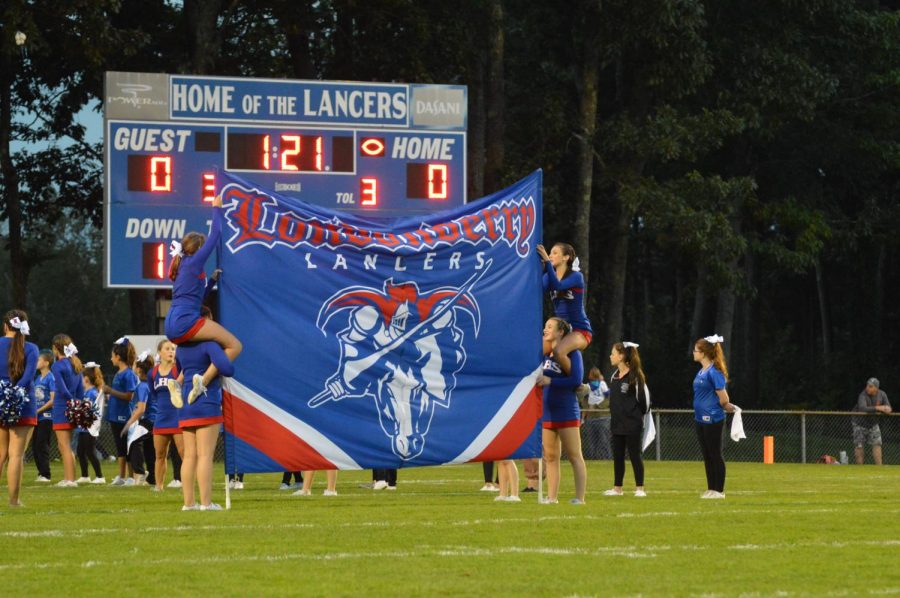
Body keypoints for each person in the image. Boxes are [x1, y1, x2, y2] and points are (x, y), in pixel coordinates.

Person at [165, 194, 241, 405]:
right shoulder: (193, 261)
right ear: (197, 249)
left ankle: (177, 383)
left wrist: (210, 282)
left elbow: (194, 299)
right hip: (185, 321)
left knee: (201, 349)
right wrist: (216, 208)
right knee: (235, 345)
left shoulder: (181, 267)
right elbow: (215, 233)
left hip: (172, 322)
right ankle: (203, 381)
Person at [176, 337, 235, 511]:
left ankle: (188, 504)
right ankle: (206, 503)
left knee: (189, 456)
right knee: (205, 455)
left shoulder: (181, 348)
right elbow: (227, 368)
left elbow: (180, 371)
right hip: (206, 402)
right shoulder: (210, 345)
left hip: (185, 403)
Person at [537, 317, 587, 505]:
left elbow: (576, 380)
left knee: (574, 455)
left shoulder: (572, 354)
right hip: (547, 411)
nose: (545, 329)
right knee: (550, 457)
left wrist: (551, 381)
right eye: (545, 326)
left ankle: (580, 498)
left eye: (550, 327)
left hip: (566, 410)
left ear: (561, 332)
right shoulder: (545, 354)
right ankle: (552, 497)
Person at [0, 310, 38, 506]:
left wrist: (4, 395)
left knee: (0, 453)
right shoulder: (31, 347)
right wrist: (15, 393)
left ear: (6, 326)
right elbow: (29, 376)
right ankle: (13, 501)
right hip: (23, 405)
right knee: (15, 455)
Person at [536, 243, 592, 376]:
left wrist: (548, 263)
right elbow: (536, 291)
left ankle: (579, 386)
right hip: (560, 331)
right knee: (535, 353)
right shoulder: (548, 277)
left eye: (555, 253)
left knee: (559, 352)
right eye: (549, 253)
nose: (550, 255)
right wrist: (540, 268)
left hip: (580, 330)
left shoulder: (576, 276)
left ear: (565, 257)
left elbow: (558, 285)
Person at [603, 343, 649, 497]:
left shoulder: (635, 376)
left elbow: (645, 402)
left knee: (635, 455)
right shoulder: (614, 376)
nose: (611, 356)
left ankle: (640, 488)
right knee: (618, 457)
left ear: (622, 356)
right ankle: (617, 488)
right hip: (616, 424)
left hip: (633, 424)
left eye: (613, 353)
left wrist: (635, 416)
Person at [692, 335, 735, 499]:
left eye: (696, 350)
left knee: (715, 454)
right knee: (706, 454)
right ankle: (711, 489)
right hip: (699, 418)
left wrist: (726, 407)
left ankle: (719, 490)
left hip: (713, 418)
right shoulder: (701, 371)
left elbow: (724, 398)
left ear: (703, 353)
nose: (693, 352)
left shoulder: (714, 372)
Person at [102, 337, 139, 486]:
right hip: (115, 415)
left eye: (112, 356)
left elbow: (129, 396)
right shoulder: (118, 373)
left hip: (124, 416)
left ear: (118, 357)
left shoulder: (128, 374)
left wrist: (111, 391)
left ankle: (130, 477)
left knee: (126, 447)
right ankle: (121, 476)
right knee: (120, 448)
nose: (111, 359)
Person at [150, 339, 184, 491]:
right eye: (167, 348)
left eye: (173, 349)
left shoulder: (179, 369)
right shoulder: (153, 372)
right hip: (161, 418)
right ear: (159, 352)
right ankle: (159, 486)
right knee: (159, 454)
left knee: (185, 454)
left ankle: (189, 485)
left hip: (177, 417)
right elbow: (153, 393)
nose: (171, 351)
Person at [50, 333, 83, 488]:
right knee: (66, 445)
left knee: (64, 445)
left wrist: (70, 402)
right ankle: (69, 478)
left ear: (56, 348)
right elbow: (81, 390)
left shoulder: (57, 365)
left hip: (62, 406)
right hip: (74, 406)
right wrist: (78, 405)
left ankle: (70, 480)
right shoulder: (76, 364)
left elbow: (62, 389)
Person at [122, 352, 155, 486]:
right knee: (149, 449)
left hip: (149, 420)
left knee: (133, 442)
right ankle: (152, 478)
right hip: (157, 419)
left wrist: (128, 424)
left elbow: (141, 409)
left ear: (139, 369)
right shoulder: (151, 383)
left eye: (135, 365)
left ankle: (140, 473)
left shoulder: (142, 385)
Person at [852, 378, 892, 465]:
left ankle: (879, 468)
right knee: (859, 446)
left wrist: (887, 409)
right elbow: (863, 408)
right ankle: (859, 469)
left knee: (877, 444)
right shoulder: (862, 395)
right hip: (859, 423)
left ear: (876, 388)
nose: (867, 388)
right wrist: (878, 408)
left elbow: (888, 407)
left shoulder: (882, 394)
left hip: (873, 424)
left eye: (870, 386)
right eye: (867, 385)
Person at [76, 364, 105, 484]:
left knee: (90, 452)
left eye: (82, 378)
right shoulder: (85, 392)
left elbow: (93, 411)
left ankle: (100, 477)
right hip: (82, 428)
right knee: (80, 451)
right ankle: (85, 475)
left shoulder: (92, 393)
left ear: (86, 379)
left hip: (90, 428)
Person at [31, 350, 56, 482]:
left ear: (46, 363)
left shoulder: (51, 377)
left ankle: (46, 474)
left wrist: (39, 410)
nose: (36, 362)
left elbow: (52, 400)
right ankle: (41, 472)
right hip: (36, 417)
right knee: (35, 446)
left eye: (38, 360)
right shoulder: (37, 378)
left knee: (42, 445)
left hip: (45, 417)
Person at [580, 367, 612, 460]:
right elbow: (583, 398)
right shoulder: (589, 386)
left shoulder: (602, 384)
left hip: (603, 417)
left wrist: (597, 406)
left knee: (604, 441)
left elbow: (608, 397)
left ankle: (606, 459)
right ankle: (592, 459)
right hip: (591, 418)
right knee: (590, 442)